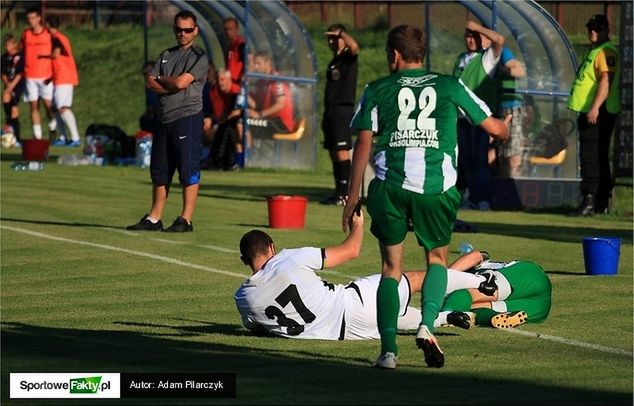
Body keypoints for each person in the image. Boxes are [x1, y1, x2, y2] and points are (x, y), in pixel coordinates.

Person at [342, 25, 510, 369]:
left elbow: (363, 143)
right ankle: (427, 325)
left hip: (390, 187)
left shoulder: (378, 88)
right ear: (422, 54)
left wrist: (351, 194)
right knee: (436, 259)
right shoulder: (448, 85)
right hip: (435, 188)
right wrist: (505, 126)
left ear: (393, 55)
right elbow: (495, 129)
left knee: (391, 269)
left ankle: (388, 352)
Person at [234, 207, 498, 344]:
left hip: (345, 335)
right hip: (351, 304)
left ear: (245, 260)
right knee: (415, 279)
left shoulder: (243, 297)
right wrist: (358, 224)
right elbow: (352, 250)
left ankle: (444, 318)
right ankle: (482, 282)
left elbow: (257, 328)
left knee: (396, 315)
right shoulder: (286, 257)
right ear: (271, 248)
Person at [127, 10, 208, 233]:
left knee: (188, 169)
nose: (183, 33)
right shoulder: (166, 54)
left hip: (187, 117)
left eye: (187, 30)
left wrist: (164, 80)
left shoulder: (199, 57)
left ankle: (186, 219)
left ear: (195, 31)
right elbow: (150, 82)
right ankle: (154, 217)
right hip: (163, 119)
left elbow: (181, 83)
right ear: (174, 29)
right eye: (179, 29)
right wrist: (168, 82)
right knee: (160, 170)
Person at [568, 14, 621, 216]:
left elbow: (606, 80)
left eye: (597, 29)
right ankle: (599, 201)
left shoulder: (606, 51)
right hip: (592, 111)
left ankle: (591, 200)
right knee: (594, 155)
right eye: (590, 28)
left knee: (592, 157)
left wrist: (595, 107)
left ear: (607, 31)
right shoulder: (596, 50)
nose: (592, 32)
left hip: (598, 113)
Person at [453, 21, 505, 210]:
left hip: (480, 119)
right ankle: (471, 197)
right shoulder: (460, 59)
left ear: (482, 38)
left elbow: (500, 40)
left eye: (475, 36)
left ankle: (483, 199)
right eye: (468, 35)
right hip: (460, 118)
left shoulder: (487, 59)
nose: (471, 39)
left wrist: (479, 28)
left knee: (480, 160)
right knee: (467, 161)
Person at [437, 250, 552, 330]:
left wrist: (446, 277)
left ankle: (448, 314)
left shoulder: (477, 270)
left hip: (521, 276)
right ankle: (494, 317)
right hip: (538, 309)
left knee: (466, 294)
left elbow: (477, 255)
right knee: (469, 312)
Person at [320, 24, 359, 206]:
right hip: (331, 111)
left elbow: (355, 47)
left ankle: (345, 194)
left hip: (343, 111)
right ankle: (338, 192)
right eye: (329, 38)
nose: (331, 41)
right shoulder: (334, 60)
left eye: (335, 38)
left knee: (342, 151)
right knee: (333, 152)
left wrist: (342, 33)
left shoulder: (348, 57)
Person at [43, 15, 81, 147]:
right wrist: (50, 77)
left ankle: (75, 138)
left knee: (62, 108)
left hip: (64, 77)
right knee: (55, 108)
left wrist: (41, 56)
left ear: (48, 25)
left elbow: (56, 54)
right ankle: (63, 137)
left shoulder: (55, 37)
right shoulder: (60, 37)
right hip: (60, 76)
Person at [21, 6, 57, 140]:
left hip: (45, 75)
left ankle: (53, 125)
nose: (31, 21)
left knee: (48, 105)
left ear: (39, 18)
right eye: (28, 18)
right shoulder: (26, 34)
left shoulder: (48, 34)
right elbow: (23, 49)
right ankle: (38, 136)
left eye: (33, 18)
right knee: (33, 105)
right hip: (30, 75)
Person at [242, 51, 295, 138]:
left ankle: (247, 150)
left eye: (259, 63)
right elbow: (258, 106)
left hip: (281, 123)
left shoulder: (276, 79)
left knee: (244, 127)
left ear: (268, 62)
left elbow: (281, 104)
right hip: (269, 120)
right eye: (255, 64)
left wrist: (259, 115)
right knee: (240, 122)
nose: (256, 67)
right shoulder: (261, 81)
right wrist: (244, 94)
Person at [494, 45, 527, 178]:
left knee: (513, 153)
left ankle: (513, 187)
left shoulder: (503, 52)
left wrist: (499, 69)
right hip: (492, 107)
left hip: (510, 106)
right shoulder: (479, 55)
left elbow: (519, 71)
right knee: (498, 153)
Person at [202, 68, 240, 170]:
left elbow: (239, 112)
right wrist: (212, 120)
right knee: (222, 127)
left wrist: (219, 121)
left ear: (229, 80)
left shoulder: (237, 91)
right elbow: (220, 114)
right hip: (227, 122)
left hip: (241, 123)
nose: (220, 83)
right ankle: (215, 160)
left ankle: (228, 161)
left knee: (227, 127)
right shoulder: (217, 92)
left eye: (222, 80)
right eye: (218, 80)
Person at [1, 34, 26, 146]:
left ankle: (17, 139)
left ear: (15, 44)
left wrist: (12, 86)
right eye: (6, 46)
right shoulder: (3, 58)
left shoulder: (20, 56)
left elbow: (20, 73)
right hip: (9, 85)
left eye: (10, 45)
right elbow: (3, 74)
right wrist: (8, 85)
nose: (8, 48)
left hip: (18, 85)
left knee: (14, 111)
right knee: (5, 97)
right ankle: (9, 126)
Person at [223, 17, 246, 96]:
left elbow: (248, 63)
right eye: (226, 29)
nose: (228, 32)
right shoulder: (231, 45)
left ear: (237, 29)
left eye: (230, 29)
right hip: (231, 85)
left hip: (238, 86)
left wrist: (242, 82)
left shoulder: (241, 44)